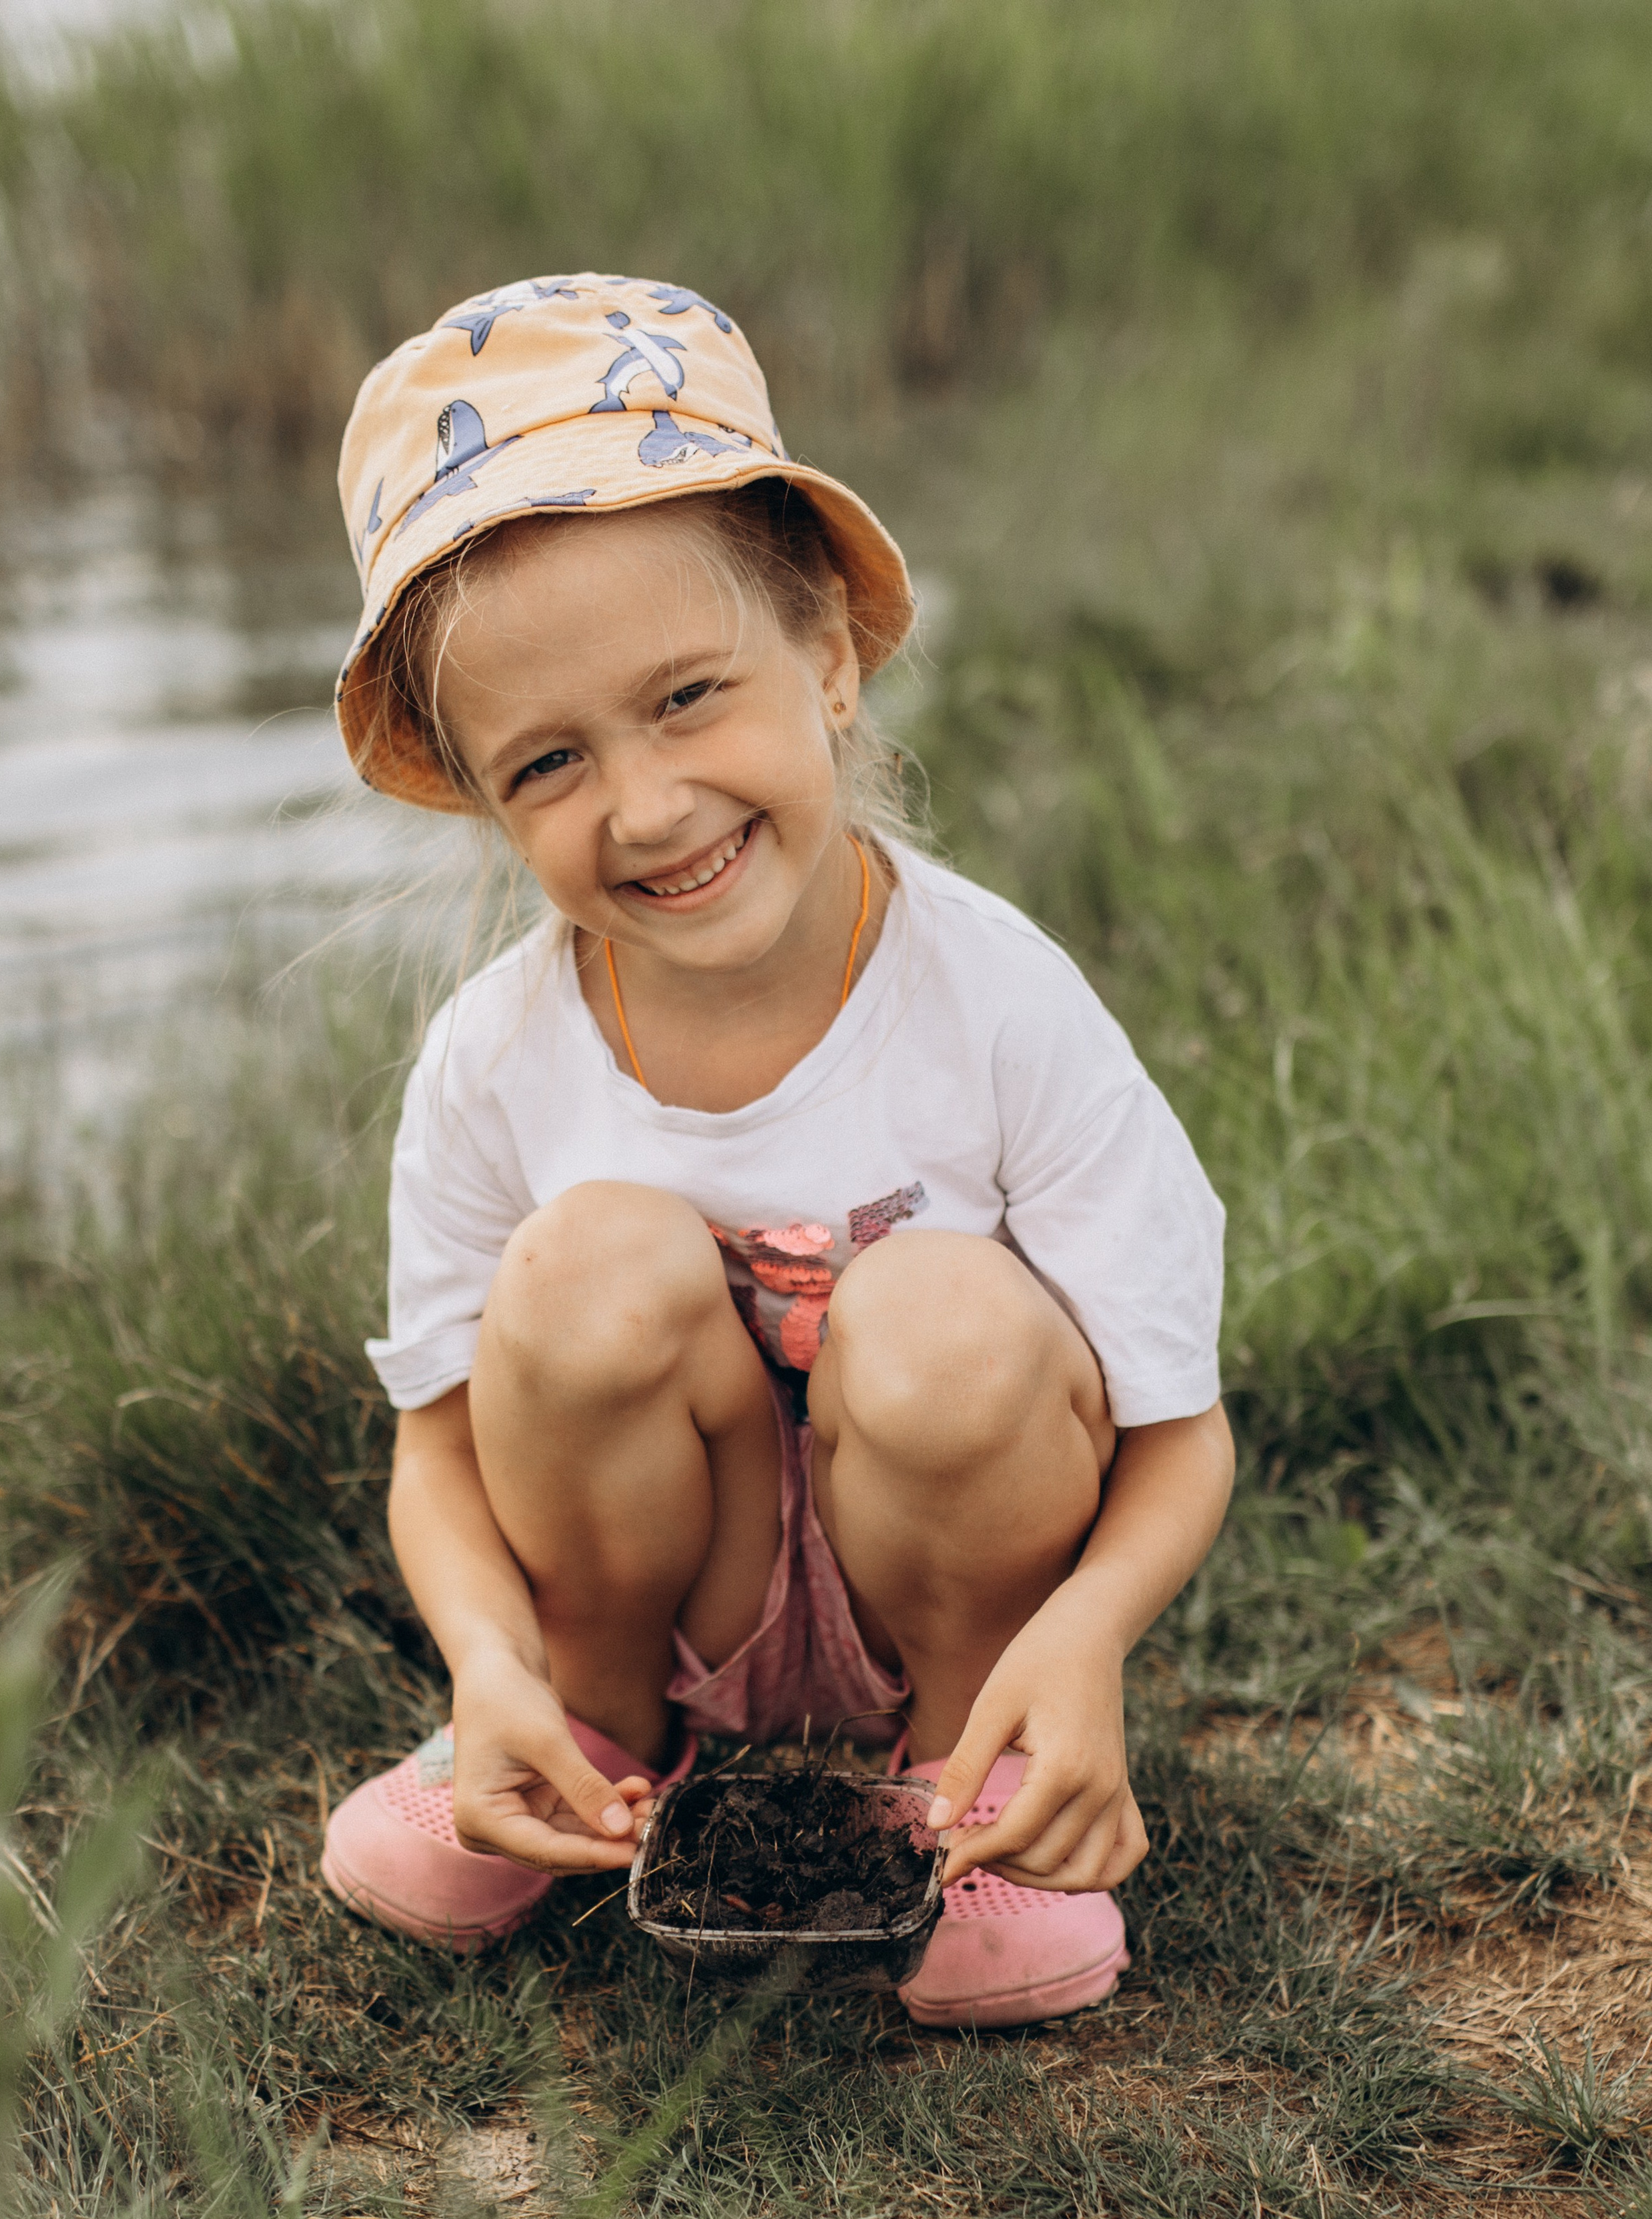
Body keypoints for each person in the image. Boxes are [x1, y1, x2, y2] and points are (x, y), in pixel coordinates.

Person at [320, 272, 1235, 2029]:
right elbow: (436, 1448)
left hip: (940, 1580)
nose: (649, 806)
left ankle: (968, 1773)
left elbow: (1181, 1435)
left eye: (687, 696)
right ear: (483, 797)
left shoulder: (998, 1002)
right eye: (549, 763)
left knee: (947, 1314)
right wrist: (487, 1659)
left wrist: (1087, 1637)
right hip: (679, 1586)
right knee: (581, 1267)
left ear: (826, 654)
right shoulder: (499, 1058)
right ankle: (581, 1740)